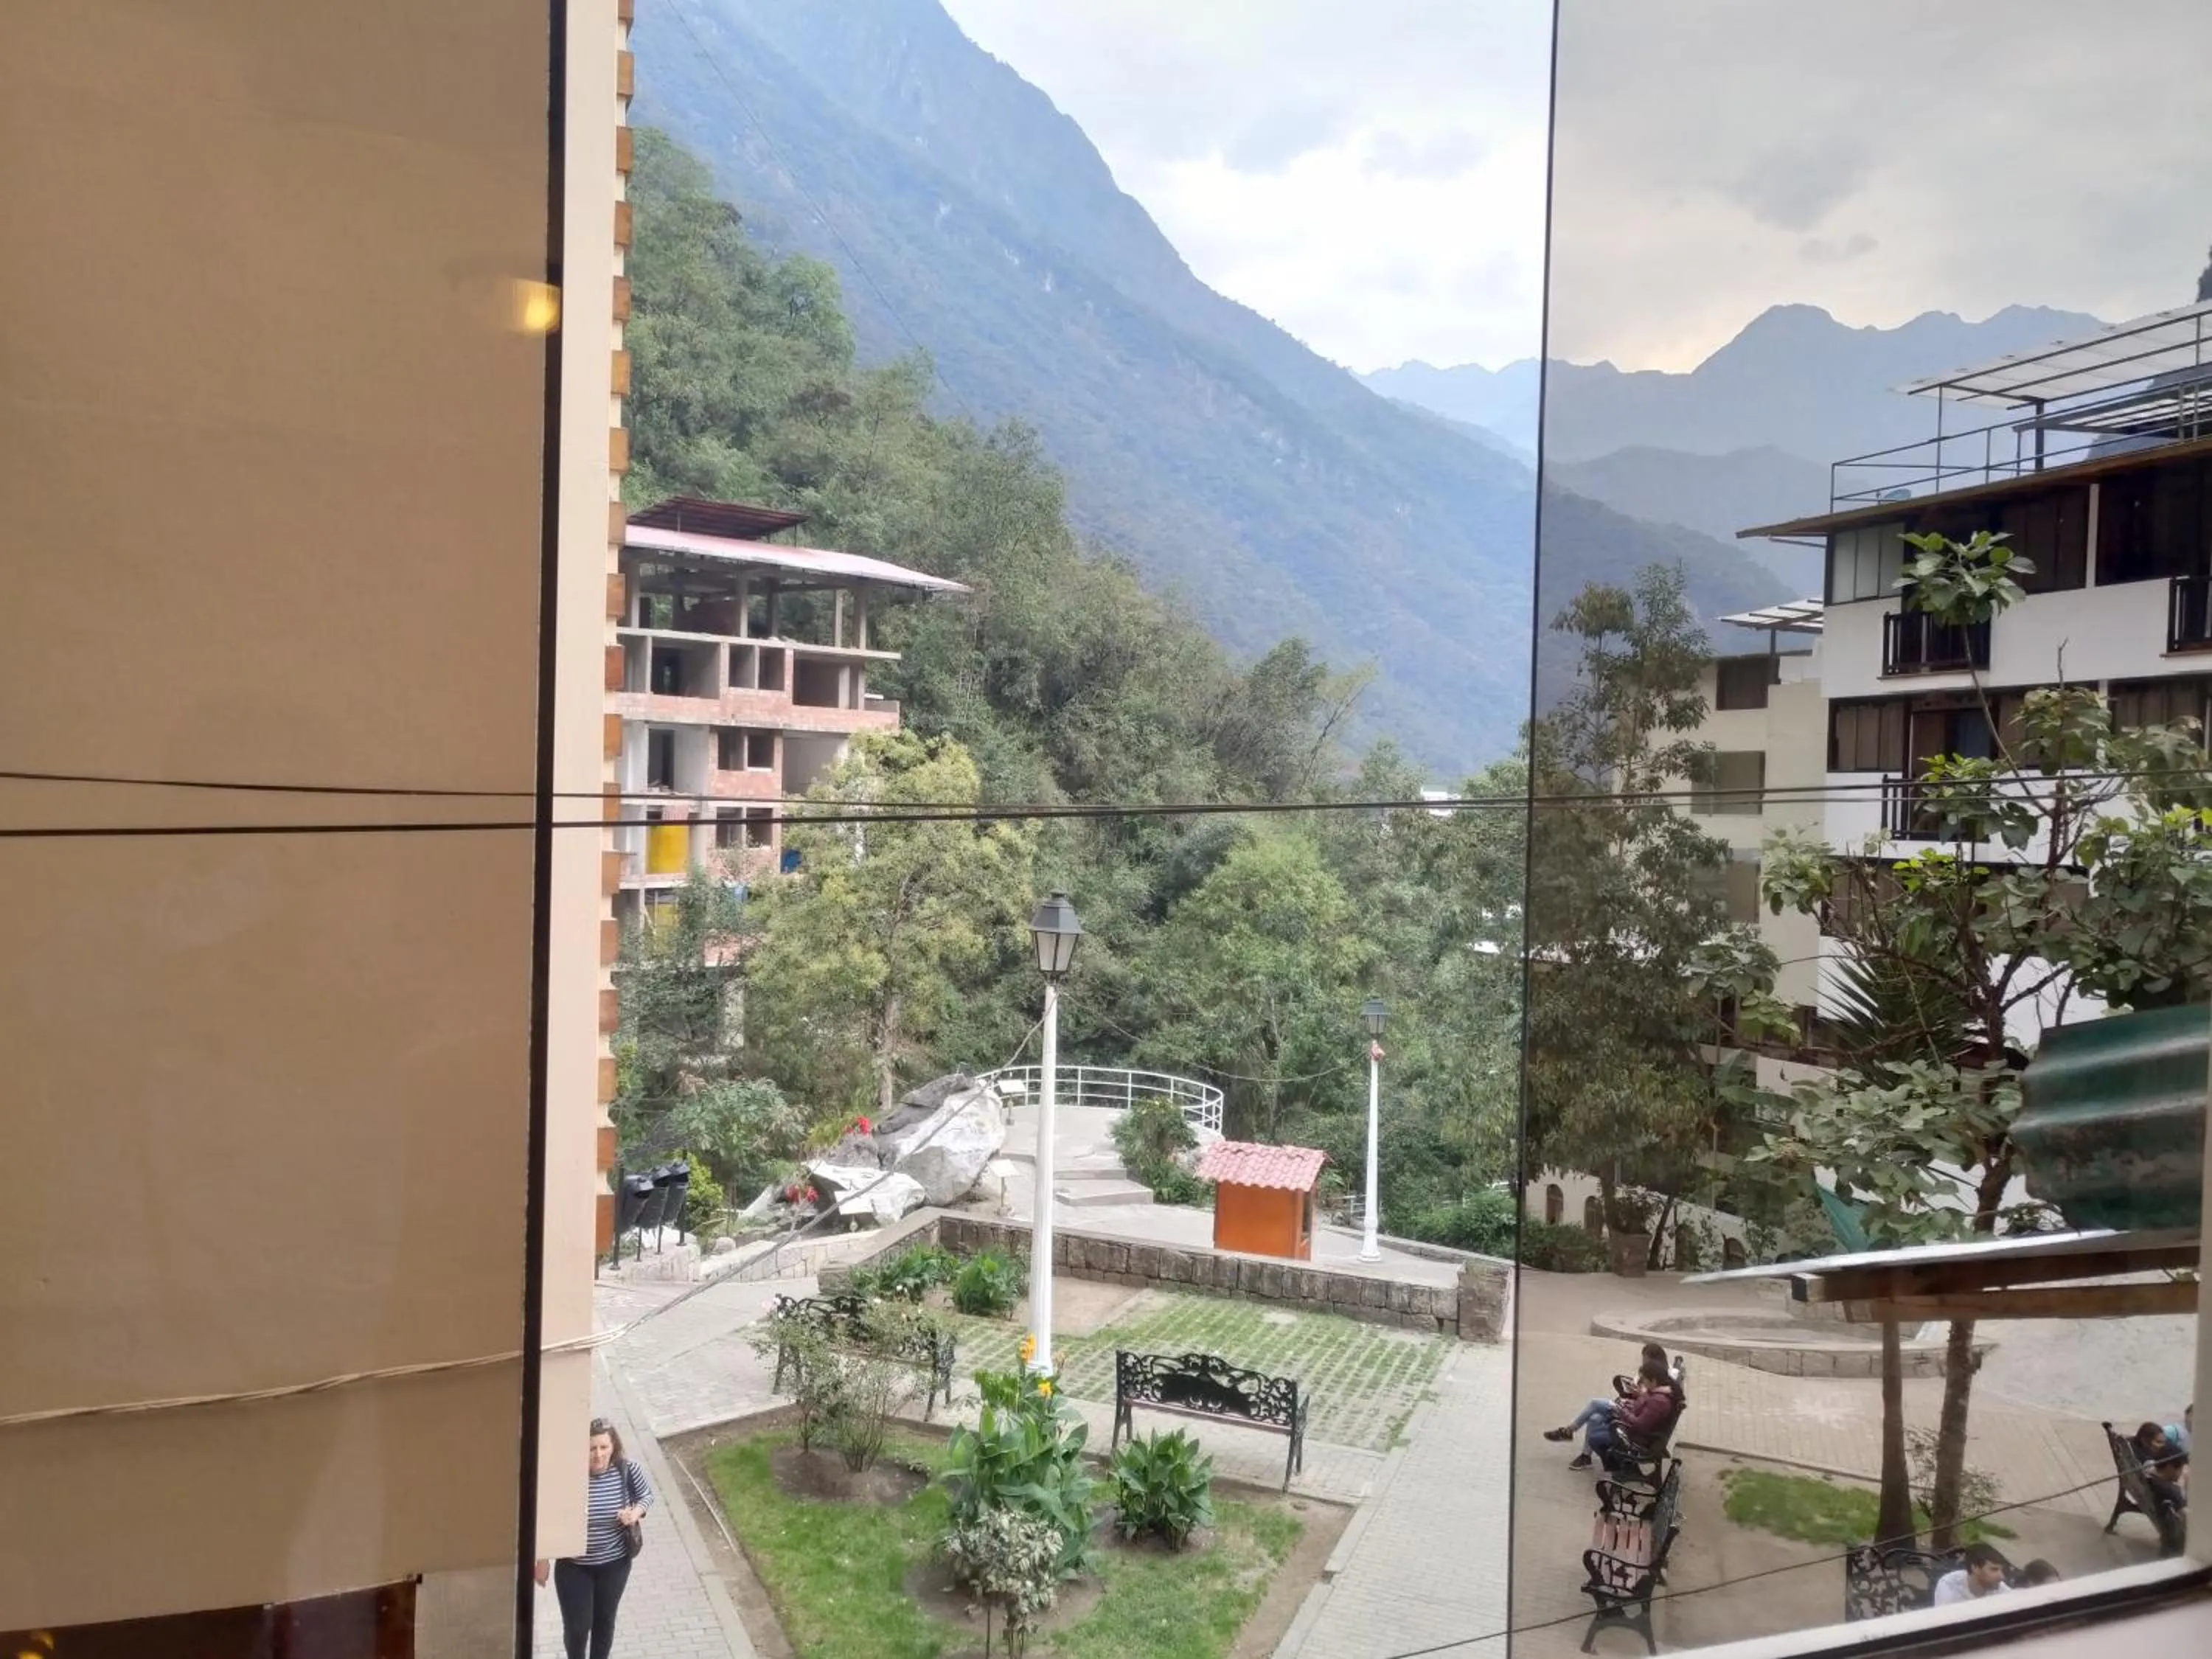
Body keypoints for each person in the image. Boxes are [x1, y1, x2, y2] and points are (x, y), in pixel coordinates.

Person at [535, 1417, 655, 1659]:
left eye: (604, 1447)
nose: (598, 1455)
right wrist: (543, 1558)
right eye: (592, 1448)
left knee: (604, 1621)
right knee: (578, 1627)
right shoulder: (567, 1476)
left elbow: (646, 1495)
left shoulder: (627, 1469)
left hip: (615, 1564)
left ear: (613, 1447)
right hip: (574, 1566)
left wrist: (634, 1513)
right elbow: (547, 1514)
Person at [1545, 1354, 1677, 1470]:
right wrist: (1629, 1404)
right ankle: (1585, 1456)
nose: (1643, 1384)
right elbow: (1641, 1409)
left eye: (1645, 1381)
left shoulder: (1658, 1400)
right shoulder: (1656, 1393)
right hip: (1630, 1423)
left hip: (1633, 1432)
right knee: (1594, 1418)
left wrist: (1623, 1410)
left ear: (1653, 1381)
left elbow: (1640, 1424)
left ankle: (1569, 1432)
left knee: (1595, 1403)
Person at [2132, 1421, 2189, 1511]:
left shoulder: (2148, 1464)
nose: (2163, 1446)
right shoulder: (2173, 1492)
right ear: (2144, 1441)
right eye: (2159, 1442)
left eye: (2164, 1442)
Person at [1931, 1543, 2011, 1606]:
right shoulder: (1950, 1587)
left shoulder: (2000, 1588)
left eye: (2001, 1570)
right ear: (1975, 1568)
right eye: (1994, 1570)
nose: (2002, 1577)